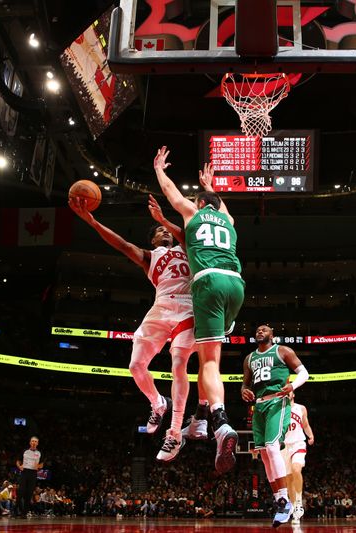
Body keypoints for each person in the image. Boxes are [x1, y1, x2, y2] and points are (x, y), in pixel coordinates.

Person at [70, 194, 208, 461]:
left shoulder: (187, 245)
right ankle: (157, 402)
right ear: (153, 240)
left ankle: (175, 434)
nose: (165, 232)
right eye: (159, 231)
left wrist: (169, 217)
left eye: (167, 230)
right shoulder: (149, 257)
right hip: (161, 308)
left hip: (188, 307)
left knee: (179, 364)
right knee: (135, 366)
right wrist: (92, 221)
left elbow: (191, 225)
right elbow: (120, 243)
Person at [154, 146, 246, 473]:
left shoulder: (193, 214)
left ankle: (219, 421)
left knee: (209, 361)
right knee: (213, 349)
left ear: (199, 205)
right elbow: (220, 208)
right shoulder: (228, 220)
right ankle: (201, 417)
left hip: (208, 284)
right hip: (236, 285)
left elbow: (170, 192)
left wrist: (159, 169)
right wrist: (214, 190)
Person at [241, 324, 310, 527]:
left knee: (272, 447)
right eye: (257, 330)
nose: (259, 331)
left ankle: (283, 501)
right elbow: (246, 383)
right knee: (263, 454)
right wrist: (244, 390)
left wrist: (292, 385)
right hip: (259, 405)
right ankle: (281, 500)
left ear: (272, 334)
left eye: (264, 329)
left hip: (277, 401)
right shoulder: (249, 358)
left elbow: (304, 373)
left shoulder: (282, 351)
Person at [282, 391, 314, 524]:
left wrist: (310, 435)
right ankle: (295, 508)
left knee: (296, 469)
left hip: (298, 443)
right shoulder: (279, 409)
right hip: (284, 446)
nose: (287, 394)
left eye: (289, 392)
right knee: (288, 479)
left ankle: (300, 502)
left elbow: (305, 425)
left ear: (293, 394)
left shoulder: (301, 408)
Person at [15, 436, 43, 518]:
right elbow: (18, 461)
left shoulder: (39, 453)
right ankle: (15, 510)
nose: (34, 442)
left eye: (35, 441)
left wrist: (38, 466)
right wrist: (19, 466)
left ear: (37, 443)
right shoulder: (25, 451)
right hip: (24, 472)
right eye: (32, 441)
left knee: (29, 494)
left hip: (33, 473)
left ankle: (24, 513)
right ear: (30, 442)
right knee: (21, 492)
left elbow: (42, 464)